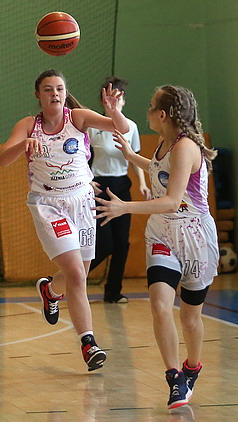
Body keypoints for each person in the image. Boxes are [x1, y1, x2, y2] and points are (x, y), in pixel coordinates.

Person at [94, 85, 218, 409]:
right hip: (162, 234)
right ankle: (174, 377)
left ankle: (192, 366)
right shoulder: (165, 143)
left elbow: (172, 200)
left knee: (190, 318)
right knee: (160, 306)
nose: (147, 111)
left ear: (162, 115)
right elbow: (160, 170)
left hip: (194, 237)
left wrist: (125, 207)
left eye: (151, 106)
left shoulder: (186, 147)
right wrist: (131, 156)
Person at [0, 69, 130, 371]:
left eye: (59, 88)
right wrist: (23, 144)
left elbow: (120, 128)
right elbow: (3, 160)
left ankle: (50, 291)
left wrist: (113, 111)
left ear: (65, 93)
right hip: (48, 205)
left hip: (82, 202)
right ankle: (88, 343)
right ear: (38, 95)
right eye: (47, 89)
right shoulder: (28, 125)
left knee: (79, 272)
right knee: (76, 273)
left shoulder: (78, 118)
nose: (54, 94)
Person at [88, 76, 152, 303]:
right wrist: (87, 181)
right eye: (109, 98)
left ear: (123, 100)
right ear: (103, 100)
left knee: (122, 244)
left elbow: (134, 158)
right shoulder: (93, 126)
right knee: (105, 244)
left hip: (121, 187)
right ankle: (66, 279)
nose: (115, 102)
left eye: (119, 97)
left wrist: (142, 183)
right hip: (98, 188)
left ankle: (113, 292)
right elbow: (83, 158)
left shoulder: (130, 127)